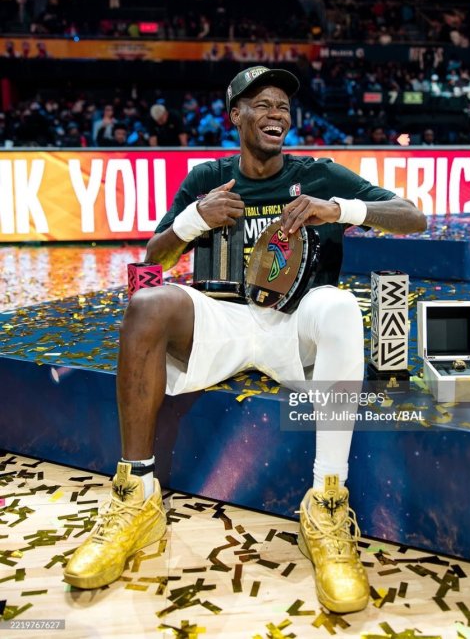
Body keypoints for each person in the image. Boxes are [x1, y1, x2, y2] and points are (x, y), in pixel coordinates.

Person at [63, 65, 426, 613]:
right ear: (235, 114)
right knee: (147, 304)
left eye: (283, 106)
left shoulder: (318, 175)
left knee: (341, 306)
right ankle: (137, 495)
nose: (276, 113)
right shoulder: (208, 178)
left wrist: (340, 210)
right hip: (224, 322)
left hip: (296, 325)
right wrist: (194, 220)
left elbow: (414, 218)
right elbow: (151, 262)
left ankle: (327, 504)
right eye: (262, 104)